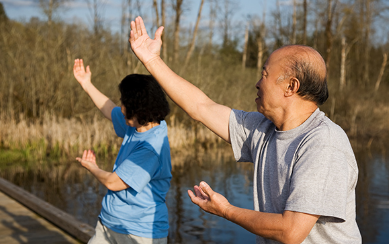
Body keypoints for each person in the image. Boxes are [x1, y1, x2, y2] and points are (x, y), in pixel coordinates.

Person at [128, 16, 362, 244]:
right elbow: (201, 107)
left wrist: (226, 210)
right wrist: (151, 60)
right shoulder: (263, 129)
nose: (258, 83)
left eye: (265, 75)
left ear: (291, 86)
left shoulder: (323, 143)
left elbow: (291, 232)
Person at [73, 59, 172, 244]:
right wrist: (86, 84)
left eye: (124, 103)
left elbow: (113, 182)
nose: (121, 107)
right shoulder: (138, 125)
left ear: (138, 109)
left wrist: (92, 167)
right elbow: (109, 108)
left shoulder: (152, 148)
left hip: (138, 233)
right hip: (109, 223)